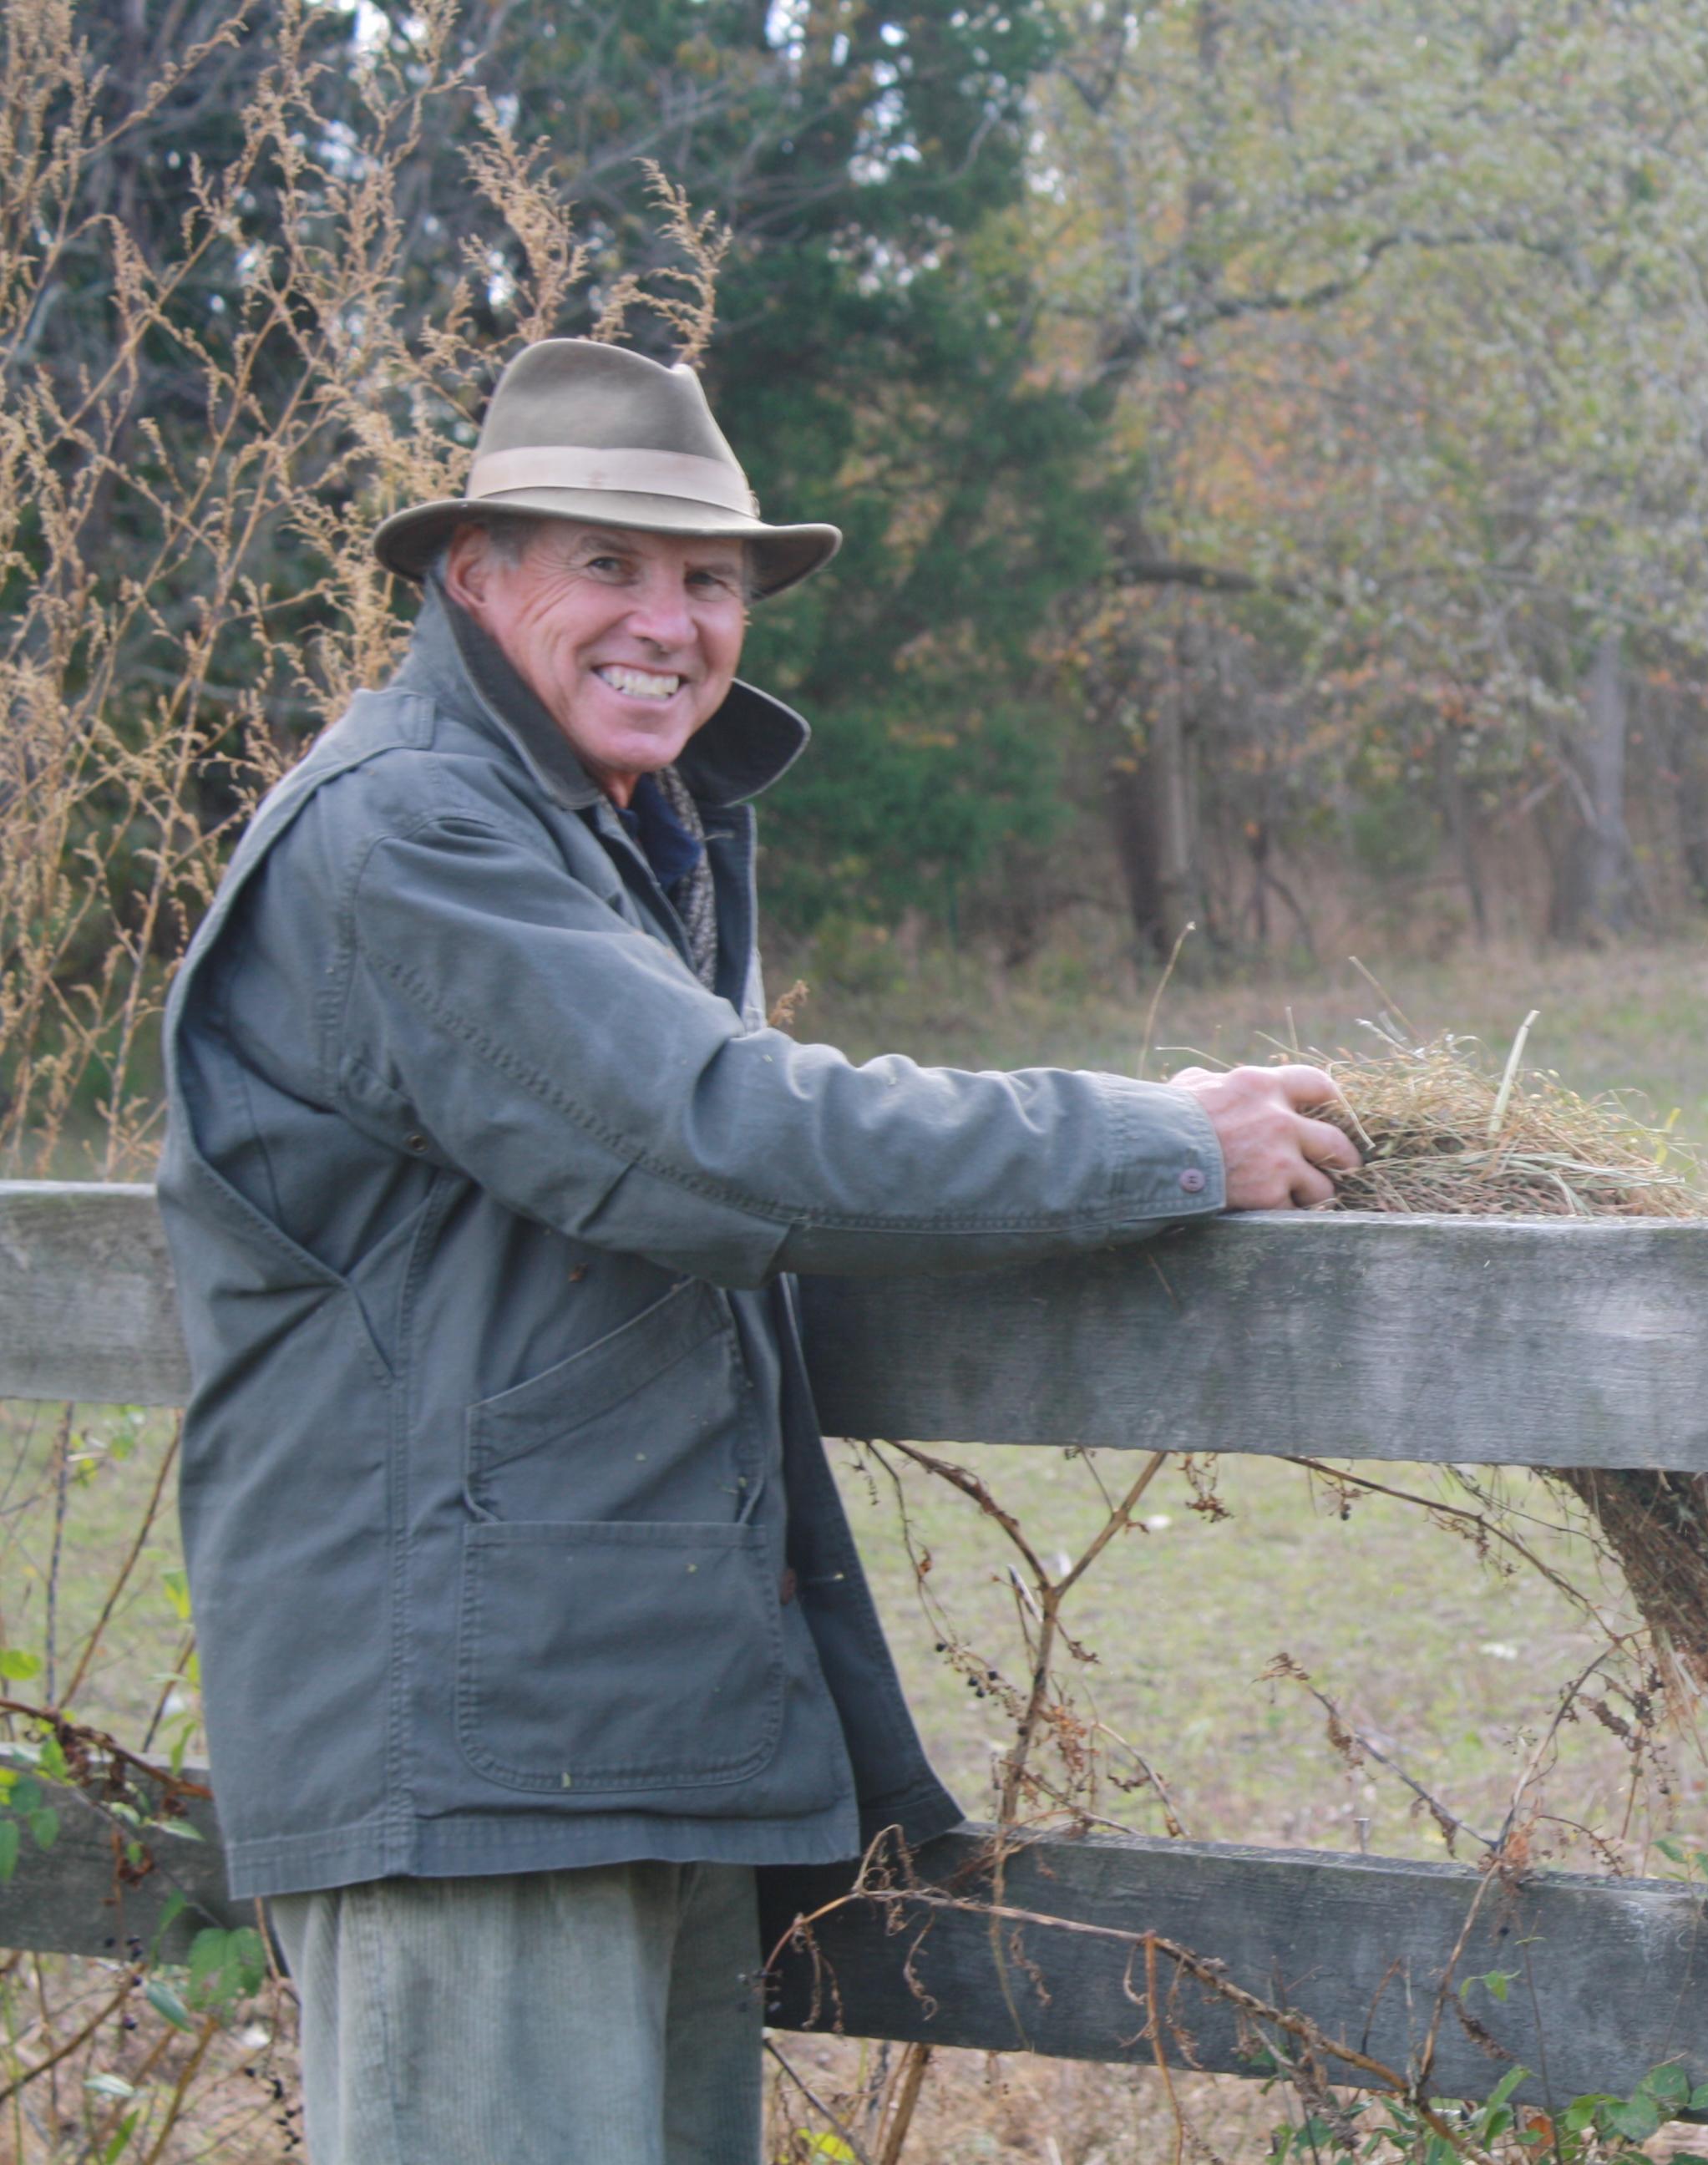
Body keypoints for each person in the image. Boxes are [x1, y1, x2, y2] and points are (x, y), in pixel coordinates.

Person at [150, 337, 1358, 2165]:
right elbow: (712, 1139)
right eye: (608, 564)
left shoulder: (609, 830)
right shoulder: (413, 831)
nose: (672, 620)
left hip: (590, 1728)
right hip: (473, 1758)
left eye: (708, 578)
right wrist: (1159, 1140)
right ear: (470, 577)